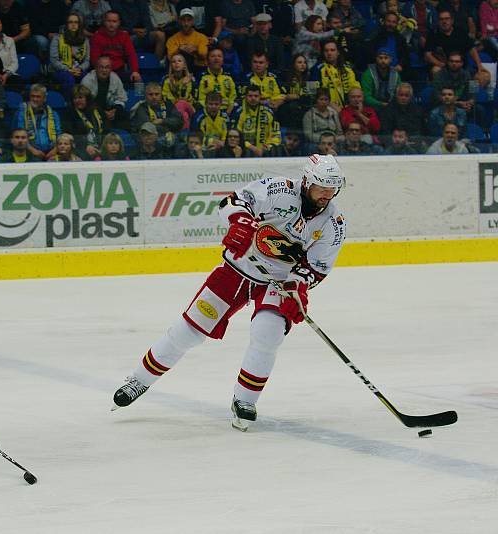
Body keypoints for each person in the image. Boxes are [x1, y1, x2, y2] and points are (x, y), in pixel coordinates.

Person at [111, 154, 347, 433]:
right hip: (238, 268)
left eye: (333, 189)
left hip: (278, 282)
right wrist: (242, 223)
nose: (327, 195)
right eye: (322, 187)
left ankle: (244, 400)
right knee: (188, 330)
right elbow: (232, 202)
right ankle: (139, 380)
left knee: (267, 333)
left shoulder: (334, 224)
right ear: (307, 181)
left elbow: (317, 267)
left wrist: (298, 286)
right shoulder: (278, 189)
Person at [90, 10, 142, 84]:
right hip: (102, 70)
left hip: (120, 70)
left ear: (119, 23)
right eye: (109, 21)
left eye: (114, 21)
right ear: (104, 22)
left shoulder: (124, 36)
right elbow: (94, 59)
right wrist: (104, 71)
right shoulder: (97, 36)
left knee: (138, 79)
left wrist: (135, 71)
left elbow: (131, 55)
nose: (111, 24)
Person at [11, 84, 62, 159]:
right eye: (32, 96)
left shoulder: (53, 114)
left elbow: (59, 135)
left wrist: (55, 150)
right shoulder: (21, 112)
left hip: (52, 152)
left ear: (44, 98)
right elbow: (18, 135)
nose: (35, 99)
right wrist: (32, 150)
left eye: (38, 97)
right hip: (28, 152)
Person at [230, 85, 282, 156]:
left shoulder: (269, 112)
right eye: (250, 96)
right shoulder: (239, 113)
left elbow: (276, 134)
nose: (253, 98)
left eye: (256, 96)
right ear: (245, 97)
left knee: (275, 149)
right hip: (245, 148)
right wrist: (251, 147)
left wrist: (269, 145)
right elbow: (235, 136)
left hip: (265, 149)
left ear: (260, 96)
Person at [50, 14, 91, 99]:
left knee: (88, 78)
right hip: (60, 70)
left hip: (78, 69)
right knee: (69, 79)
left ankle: (86, 103)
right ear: (66, 24)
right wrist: (68, 70)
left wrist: (80, 69)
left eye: (76, 22)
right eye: (70, 22)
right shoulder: (57, 38)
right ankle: (69, 102)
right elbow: (54, 60)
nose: (73, 24)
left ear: (80, 25)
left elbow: (87, 60)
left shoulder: (85, 40)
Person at [80, 55, 128, 128]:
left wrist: (115, 110)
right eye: (101, 67)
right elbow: (85, 102)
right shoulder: (87, 80)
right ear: (96, 68)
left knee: (124, 116)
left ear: (111, 69)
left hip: (111, 110)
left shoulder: (115, 78)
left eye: (107, 67)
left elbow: (122, 98)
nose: (104, 70)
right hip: (92, 111)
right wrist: (102, 112)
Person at [196, 47, 238, 114]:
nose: (216, 58)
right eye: (213, 56)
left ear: (223, 60)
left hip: (227, 110)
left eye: (219, 56)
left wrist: (228, 111)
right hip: (207, 111)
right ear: (207, 60)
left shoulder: (229, 76)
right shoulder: (201, 76)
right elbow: (200, 99)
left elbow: (233, 97)